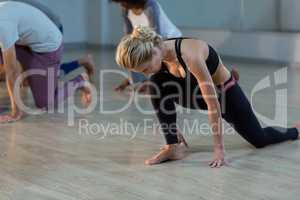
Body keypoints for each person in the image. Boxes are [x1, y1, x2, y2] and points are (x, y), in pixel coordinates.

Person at [115, 25, 300, 168]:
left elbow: (213, 105)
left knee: (259, 140)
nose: (146, 73)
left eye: (146, 68)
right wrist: (169, 127)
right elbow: (161, 96)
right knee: (155, 83)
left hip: (223, 95)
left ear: (154, 51)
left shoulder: (190, 55)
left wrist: (218, 149)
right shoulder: (158, 54)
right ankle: (172, 147)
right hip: (194, 92)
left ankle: (295, 131)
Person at [0, 1, 93, 123]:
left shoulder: (2, 23)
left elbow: (11, 71)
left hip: (47, 49)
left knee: (45, 103)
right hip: (25, 44)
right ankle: (34, 76)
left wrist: (15, 112)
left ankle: (80, 81)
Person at [112, 0, 181, 92]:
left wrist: (150, 81)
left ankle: (153, 82)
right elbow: (129, 37)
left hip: (167, 40)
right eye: (119, 3)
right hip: (147, 42)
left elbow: (156, 35)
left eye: (123, 1)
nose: (121, 5)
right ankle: (136, 82)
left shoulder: (150, 5)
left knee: (158, 66)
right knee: (132, 54)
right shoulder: (125, 10)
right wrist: (135, 81)